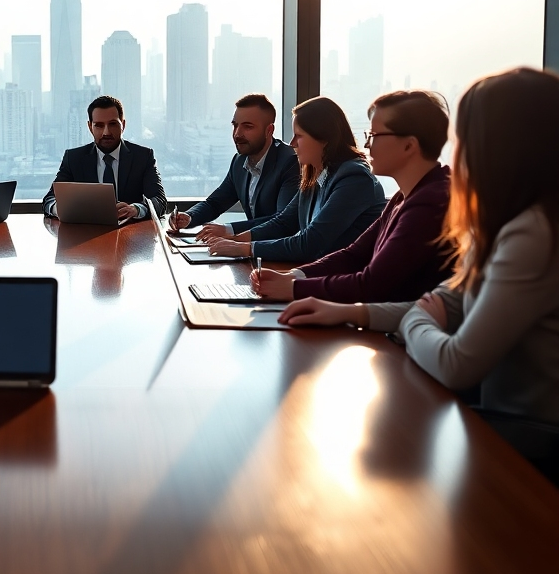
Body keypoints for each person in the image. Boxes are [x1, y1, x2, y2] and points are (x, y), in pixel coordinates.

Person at [279, 68, 559, 424]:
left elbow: (455, 363)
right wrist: (349, 313)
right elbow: (447, 303)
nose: (460, 153)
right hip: (495, 421)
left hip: (526, 438)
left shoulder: (532, 234)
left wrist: (413, 320)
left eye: (466, 139)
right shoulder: (499, 223)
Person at [253, 90, 453, 302]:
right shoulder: (402, 197)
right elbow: (354, 255)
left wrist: (294, 288)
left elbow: (371, 284)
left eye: (374, 135)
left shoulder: (431, 203)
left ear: (409, 145)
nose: (366, 145)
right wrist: (293, 276)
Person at [207, 95, 385, 262]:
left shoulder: (354, 178)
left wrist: (245, 249)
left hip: (346, 279)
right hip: (319, 273)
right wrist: (234, 240)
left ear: (323, 138)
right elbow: (284, 223)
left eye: (299, 136)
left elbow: (310, 242)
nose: (292, 144)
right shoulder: (316, 174)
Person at [169, 93, 299, 242]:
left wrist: (229, 230)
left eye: (247, 127)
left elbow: (283, 222)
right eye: (235, 125)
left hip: (282, 250)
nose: (237, 134)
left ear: (269, 130)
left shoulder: (290, 162)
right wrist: (190, 217)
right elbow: (215, 203)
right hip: (252, 248)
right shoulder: (239, 161)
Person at [42, 95, 166, 221]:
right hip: (86, 231)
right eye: (99, 125)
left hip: (130, 230)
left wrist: (136, 209)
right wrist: (60, 209)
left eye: (112, 124)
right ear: (90, 127)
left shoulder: (143, 157)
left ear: (123, 125)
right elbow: (49, 200)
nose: (106, 132)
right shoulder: (74, 159)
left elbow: (159, 201)